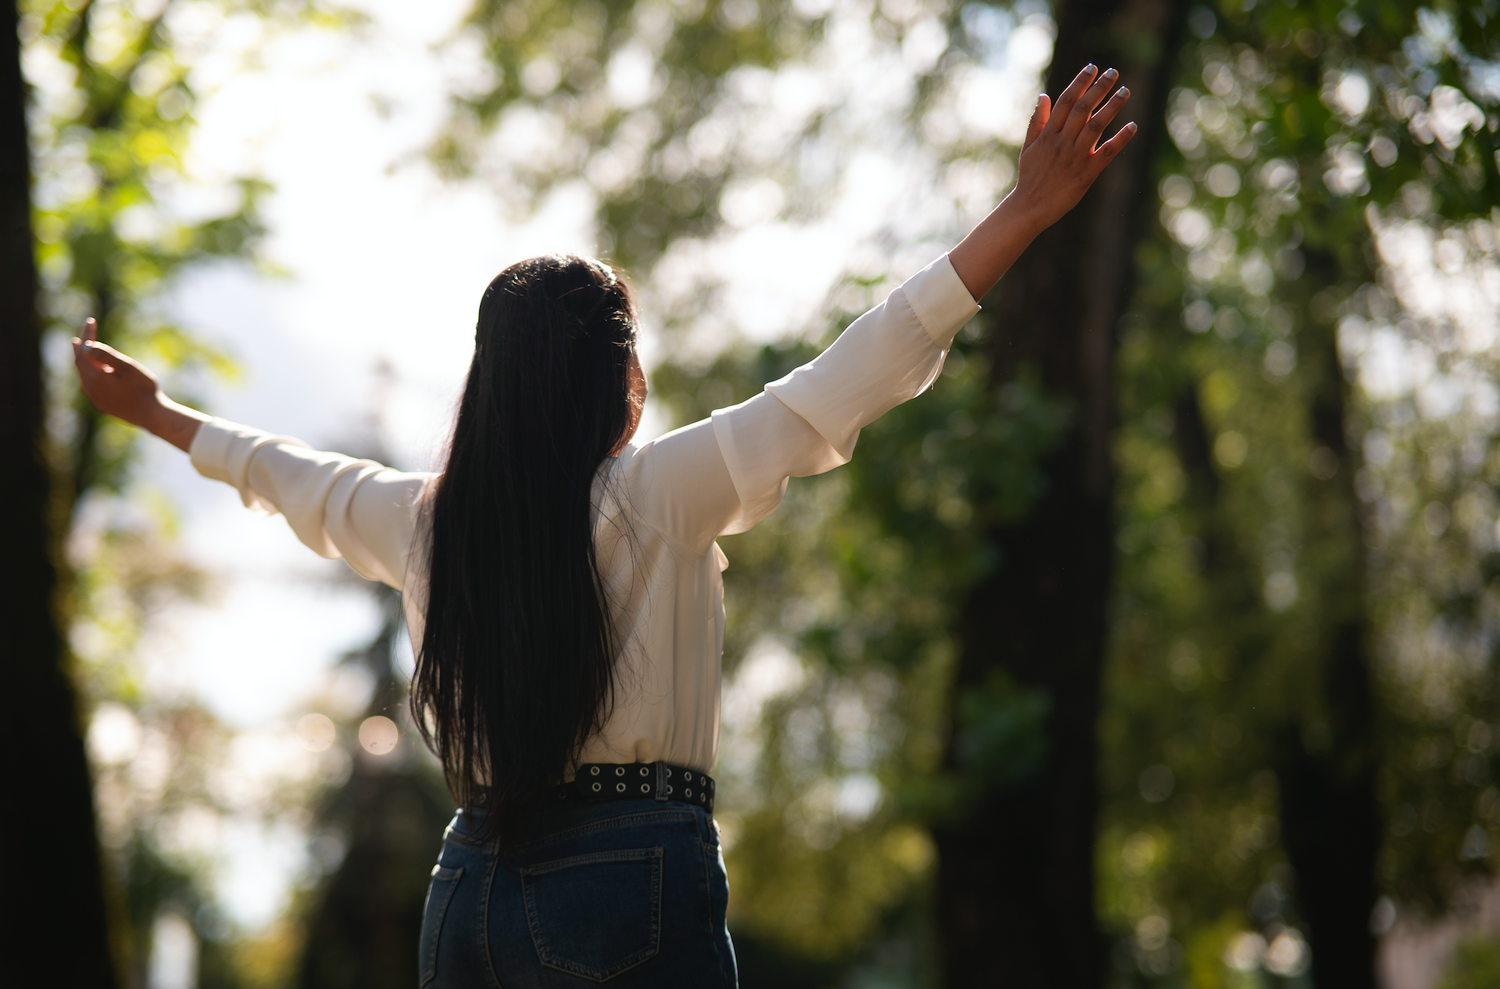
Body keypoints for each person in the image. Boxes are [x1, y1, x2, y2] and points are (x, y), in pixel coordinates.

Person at [73, 64, 1134, 988]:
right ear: (615, 383)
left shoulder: (427, 519)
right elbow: (852, 371)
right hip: (626, 884)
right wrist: (1026, 210)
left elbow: (290, 475)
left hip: (467, 887)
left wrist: (159, 415)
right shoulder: (659, 492)